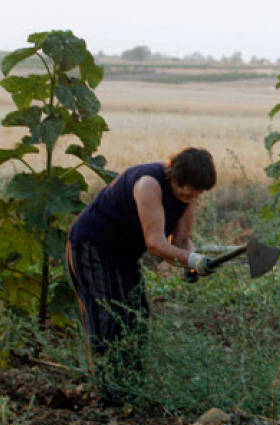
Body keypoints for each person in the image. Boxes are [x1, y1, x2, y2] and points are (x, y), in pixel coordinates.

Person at [66, 147, 217, 383]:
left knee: (137, 317)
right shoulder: (148, 184)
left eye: (197, 195)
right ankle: (108, 389)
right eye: (189, 193)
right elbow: (155, 244)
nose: (193, 198)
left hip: (125, 253)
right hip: (93, 245)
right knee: (109, 316)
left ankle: (132, 385)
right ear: (175, 177)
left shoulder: (187, 196)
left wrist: (193, 262)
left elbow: (182, 239)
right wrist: (192, 260)